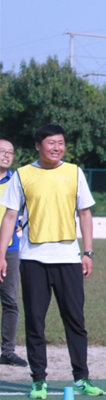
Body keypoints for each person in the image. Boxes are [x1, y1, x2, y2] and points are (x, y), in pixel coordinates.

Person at [0, 124, 104, 399]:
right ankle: (38, 380)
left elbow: (85, 213)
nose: (57, 148)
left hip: (68, 259)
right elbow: (10, 217)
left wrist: (88, 253)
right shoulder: (22, 175)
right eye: (51, 143)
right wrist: (1, 254)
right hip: (33, 259)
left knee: (75, 320)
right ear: (38, 146)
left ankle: (81, 377)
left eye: (61, 143)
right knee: (35, 321)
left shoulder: (74, 172)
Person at [0, 139, 26, 367]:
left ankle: (7, 352)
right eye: (2, 151)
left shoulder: (17, 181)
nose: (6, 155)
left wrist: (21, 222)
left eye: (10, 152)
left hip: (9, 249)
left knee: (10, 302)